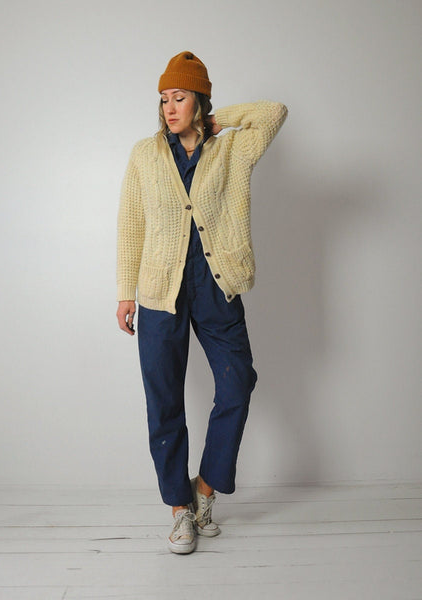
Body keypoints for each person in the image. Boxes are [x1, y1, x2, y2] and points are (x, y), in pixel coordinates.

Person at [116, 51, 288, 554]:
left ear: (200, 100)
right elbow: (131, 222)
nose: (169, 108)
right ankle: (179, 511)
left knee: (238, 383)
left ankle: (204, 491)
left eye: (180, 97)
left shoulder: (232, 148)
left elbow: (273, 112)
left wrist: (217, 121)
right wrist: (126, 291)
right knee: (164, 400)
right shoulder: (145, 154)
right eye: (163, 99)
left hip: (216, 285)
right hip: (159, 291)